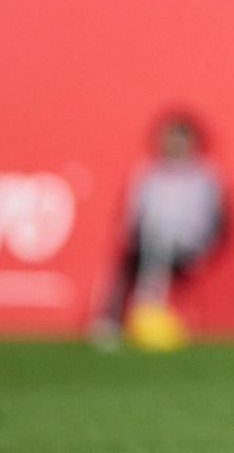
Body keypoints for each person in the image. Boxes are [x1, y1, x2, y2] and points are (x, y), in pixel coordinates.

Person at [92, 110, 226, 345]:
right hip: (149, 243)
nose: (174, 144)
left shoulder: (205, 176)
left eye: (180, 139)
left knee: (159, 249)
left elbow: (214, 220)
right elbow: (134, 214)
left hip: (188, 245)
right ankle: (111, 322)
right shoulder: (149, 173)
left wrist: (202, 244)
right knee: (137, 256)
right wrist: (136, 235)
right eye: (169, 138)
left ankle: (149, 314)